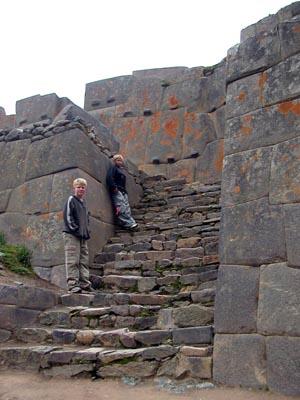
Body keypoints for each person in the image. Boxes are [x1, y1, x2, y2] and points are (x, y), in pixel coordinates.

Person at [62, 178, 94, 293]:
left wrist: (86, 231)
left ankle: (84, 283)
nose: (81, 189)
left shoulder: (83, 203)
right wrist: (75, 229)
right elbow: (68, 216)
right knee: (72, 260)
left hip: (83, 236)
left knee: (84, 261)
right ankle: (72, 284)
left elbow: (86, 219)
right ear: (74, 188)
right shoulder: (71, 200)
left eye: (83, 187)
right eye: (79, 187)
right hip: (72, 235)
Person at [106, 154, 138, 230]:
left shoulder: (121, 170)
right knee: (121, 207)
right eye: (118, 160)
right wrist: (113, 187)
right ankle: (128, 223)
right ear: (114, 161)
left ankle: (130, 222)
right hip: (117, 190)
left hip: (123, 190)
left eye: (121, 161)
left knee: (126, 207)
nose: (120, 162)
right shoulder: (113, 168)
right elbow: (109, 177)